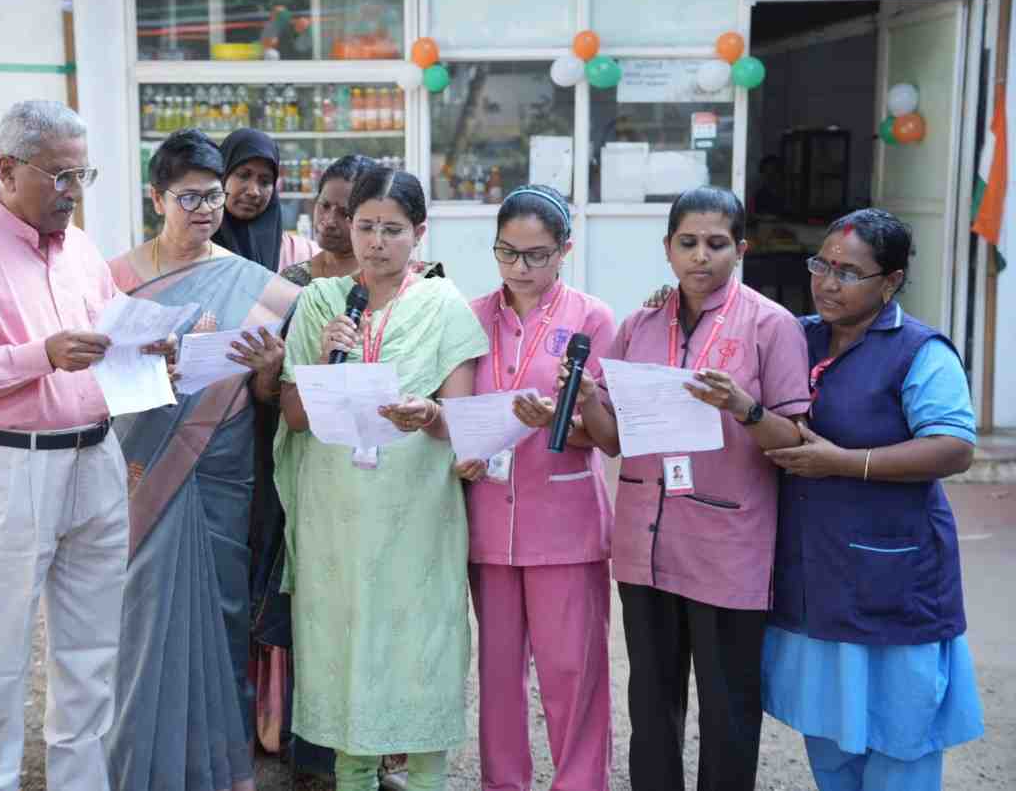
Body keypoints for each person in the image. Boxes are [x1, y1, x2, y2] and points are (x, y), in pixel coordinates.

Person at [0, 99, 159, 791]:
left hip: (95, 457)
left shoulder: (79, 249)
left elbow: (97, 348)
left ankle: (82, 781)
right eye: (61, 177)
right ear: (7, 170)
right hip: (6, 464)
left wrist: (145, 349)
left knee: (93, 649)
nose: (74, 194)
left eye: (84, 176)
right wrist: (37, 355)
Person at [573, 186, 812, 791]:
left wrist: (744, 407)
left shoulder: (770, 325)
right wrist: (586, 400)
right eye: (688, 243)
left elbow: (796, 442)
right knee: (651, 705)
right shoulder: (639, 325)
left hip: (728, 548)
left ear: (741, 249)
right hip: (645, 547)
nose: (700, 256)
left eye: (716, 243)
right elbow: (610, 440)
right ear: (667, 248)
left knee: (729, 707)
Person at [274, 166, 488, 791]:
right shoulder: (319, 301)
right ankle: (354, 776)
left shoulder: (444, 306)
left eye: (391, 229)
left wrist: (429, 415)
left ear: (419, 233)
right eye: (364, 225)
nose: (374, 241)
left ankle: (424, 777)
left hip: (415, 514)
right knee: (347, 651)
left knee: (419, 647)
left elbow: (460, 424)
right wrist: (318, 362)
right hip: (334, 518)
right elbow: (292, 415)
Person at [104, 128, 301, 790]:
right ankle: (135, 764)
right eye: (189, 196)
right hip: (140, 462)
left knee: (219, 615)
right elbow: (91, 382)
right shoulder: (116, 280)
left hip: (220, 462)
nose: (205, 209)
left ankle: (221, 767)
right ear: (156, 197)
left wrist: (271, 370)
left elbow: (267, 395)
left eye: (213, 196)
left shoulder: (255, 286)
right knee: (139, 617)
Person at [761, 208, 984, 791]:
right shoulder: (796, 336)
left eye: (849, 272)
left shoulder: (919, 351)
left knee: (900, 735)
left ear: (890, 281)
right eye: (822, 265)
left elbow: (954, 446)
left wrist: (845, 462)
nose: (829, 283)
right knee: (829, 734)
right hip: (817, 574)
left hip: (895, 575)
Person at [452, 185, 617, 791]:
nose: (520, 268)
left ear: (565, 250)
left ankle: (579, 782)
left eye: (537, 255)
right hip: (490, 520)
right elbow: (456, 408)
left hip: (565, 521)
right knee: (498, 673)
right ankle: (504, 782)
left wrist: (564, 419)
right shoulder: (469, 316)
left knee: (572, 670)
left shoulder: (592, 318)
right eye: (507, 252)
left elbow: (609, 436)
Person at [282, 154, 443, 288]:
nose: (329, 221)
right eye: (324, 205)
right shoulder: (293, 282)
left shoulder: (421, 283)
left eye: (344, 212)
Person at [214, 127, 318, 273]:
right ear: (222, 176)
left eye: (265, 181)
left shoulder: (302, 256)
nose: (253, 192)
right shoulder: (194, 252)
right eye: (243, 175)